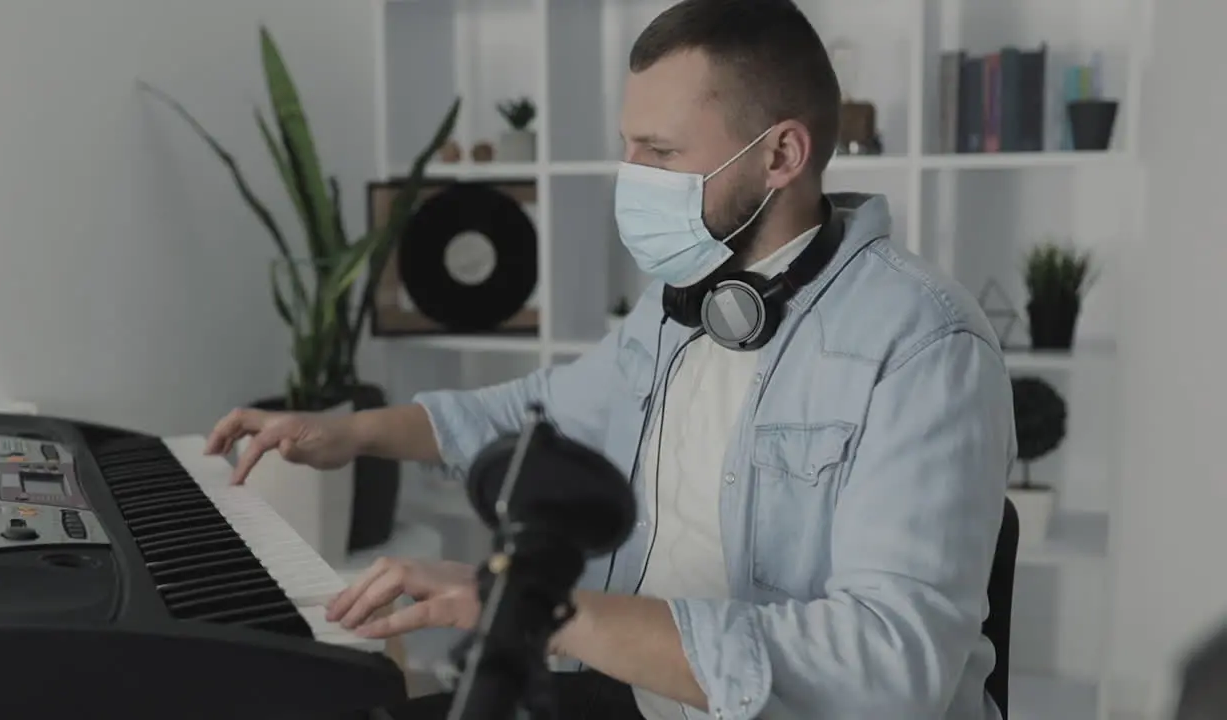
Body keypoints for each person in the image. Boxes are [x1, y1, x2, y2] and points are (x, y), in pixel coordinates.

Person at [206, 0, 1015, 718]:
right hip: (631, 692)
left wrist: (539, 609)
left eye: (658, 152)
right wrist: (350, 434)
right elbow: (544, 411)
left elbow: (888, 666)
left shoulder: (924, 344)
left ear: (781, 157)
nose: (630, 177)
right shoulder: (685, 302)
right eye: (628, 146)